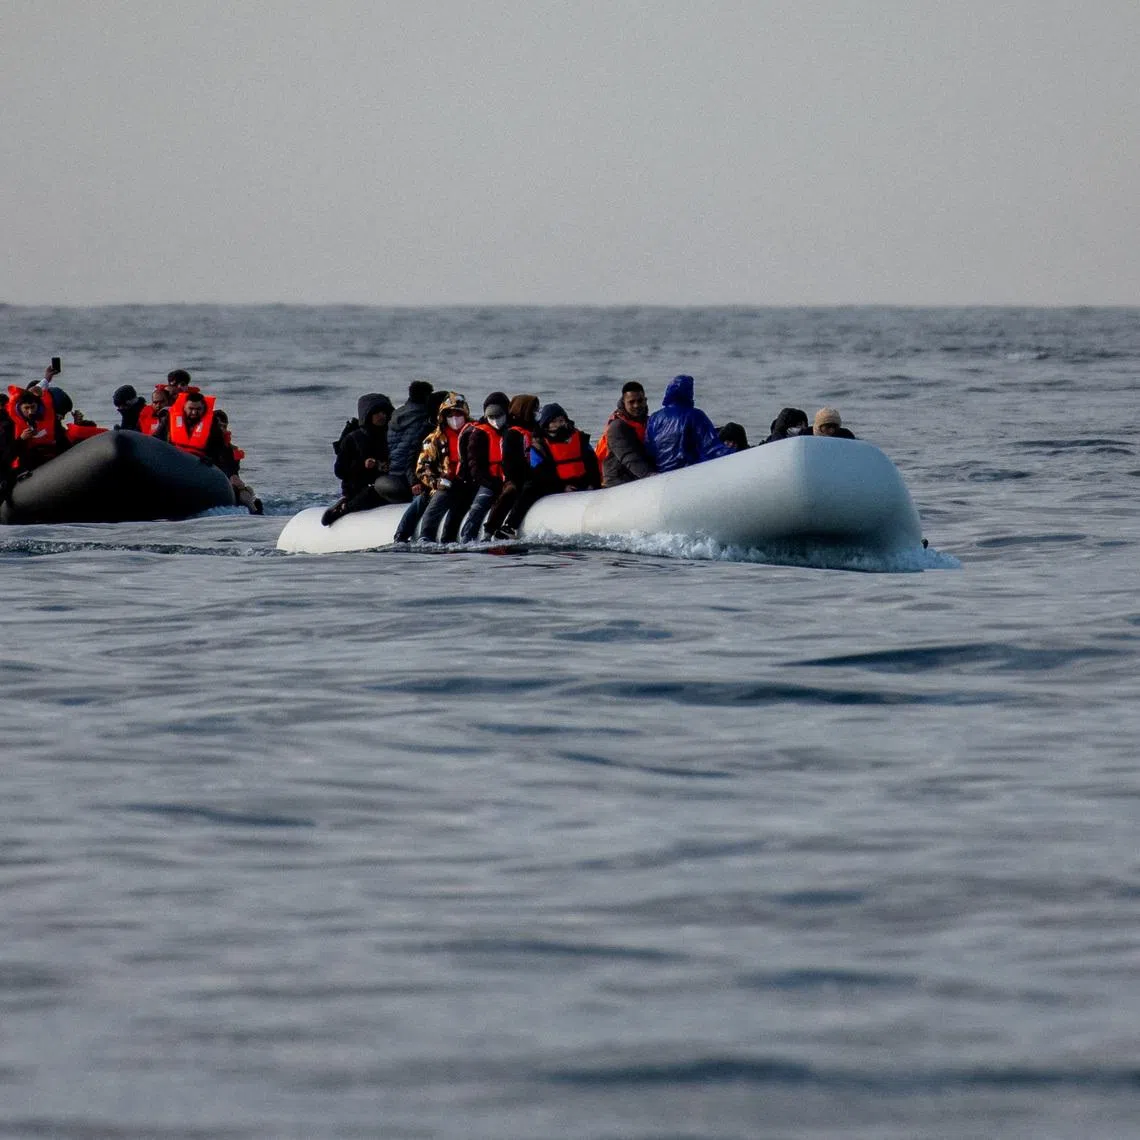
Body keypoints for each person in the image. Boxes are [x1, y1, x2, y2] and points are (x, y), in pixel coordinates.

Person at [497, 402, 599, 536]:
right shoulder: (539, 445)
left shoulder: (580, 439)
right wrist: (562, 487)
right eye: (554, 422)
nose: (559, 425)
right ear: (546, 424)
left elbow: (592, 464)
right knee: (530, 488)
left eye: (561, 420)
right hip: (553, 483)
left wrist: (593, 484)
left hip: (581, 481)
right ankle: (510, 526)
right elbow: (540, 473)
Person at [321, 393, 400, 526]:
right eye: (377, 413)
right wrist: (363, 465)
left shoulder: (392, 435)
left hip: (386, 482)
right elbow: (340, 471)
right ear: (368, 415)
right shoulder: (353, 439)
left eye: (384, 412)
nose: (382, 416)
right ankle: (344, 508)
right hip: (359, 486)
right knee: (373, 493)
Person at [414, 392, 475, 543]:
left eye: (458, 413)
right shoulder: (434, 438)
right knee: (436, 504)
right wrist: (436, 482)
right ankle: (425, 537)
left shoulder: (475, 432)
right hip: (446, 484)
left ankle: (451, 539)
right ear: (443, 415)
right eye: (450, 414)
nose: (455, 418)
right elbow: (422, 467)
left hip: (471, 482)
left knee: (458, 511)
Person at [645, 375, 732, 473]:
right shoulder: (695, 415)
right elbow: (712, 448)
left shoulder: (654, 418)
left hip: (661, 474)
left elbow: (650, 450)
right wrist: (737, 454)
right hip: (688, 474)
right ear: (688, 392)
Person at [483, 394, 540, 539]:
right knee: (511, 492)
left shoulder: (537, 430)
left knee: (531, 487)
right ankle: (492, 529)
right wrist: (522, 478)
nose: (536, 413)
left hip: (534, 476)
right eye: (533, 410)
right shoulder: (512, 434)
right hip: (515, 477)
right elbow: (509, 464)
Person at [457, 391, 511, 542]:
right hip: (488, 481)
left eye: (499, 416)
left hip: (509, 480)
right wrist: (490, 483)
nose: (495, 420)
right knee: (479, 506)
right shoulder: (478, 434)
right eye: (491, 417)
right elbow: (475, 466)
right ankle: (467, 538)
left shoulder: (513, 432)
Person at [157, 389, 237, 474]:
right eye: (191, 409)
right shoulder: (170, 418)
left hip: (199, 464)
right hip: (175, 460)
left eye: (198, 409)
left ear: (204, 408)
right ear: (184, 407)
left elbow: (220, 449)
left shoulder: (212, 423)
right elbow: (157, 438)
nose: (194, 412)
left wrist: (212, 459)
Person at [0, 386, 72, 479]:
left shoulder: (49, 419)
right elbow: (5, 457)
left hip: (50, 459)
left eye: (33, 407)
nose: (30, 411)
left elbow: (63, 441)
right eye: (26, 408)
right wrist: (21, 439)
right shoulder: (9, 425)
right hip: (24, 468)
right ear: (19, 407)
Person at [596, 381, 654, 487]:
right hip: (616, 483)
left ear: (645, 401)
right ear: (624, 402)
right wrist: (650, 476)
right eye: (631, 402)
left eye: (640, 401)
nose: (636, 405)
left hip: (639, 479)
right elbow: (628, 457)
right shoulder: (617, 427)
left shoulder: (649, 422)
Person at [386, 380, 435, 498]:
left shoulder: (398, 414)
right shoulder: (423, 417)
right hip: (407, 472)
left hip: (392, 468)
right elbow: (413, 452)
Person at [214, 409, 263, 514]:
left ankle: (255, 511)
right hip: (213, 480)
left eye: (224, 426)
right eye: (219, 426)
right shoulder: (205, 445)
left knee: (247, 492)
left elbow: (233, 471)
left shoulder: (230, 450)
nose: (222, 429)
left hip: (226, 483)